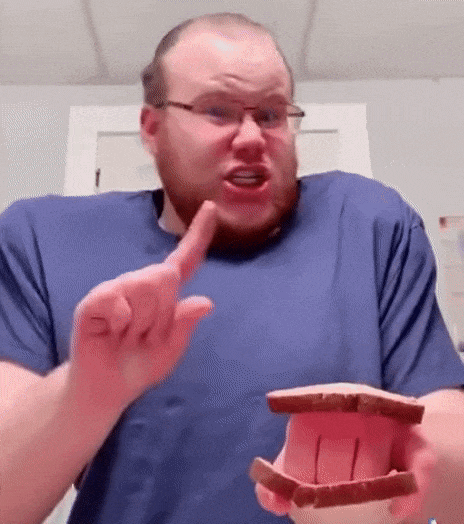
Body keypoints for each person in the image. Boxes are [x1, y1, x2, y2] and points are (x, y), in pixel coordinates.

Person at [1, 12, 464, 524]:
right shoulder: (43, 237)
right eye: (217, 111)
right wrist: (86, 391)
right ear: (152, 128)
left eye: (271, 114)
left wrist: (393, 446)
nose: (250, 137)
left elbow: (452, 453)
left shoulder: (368, 224)